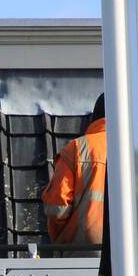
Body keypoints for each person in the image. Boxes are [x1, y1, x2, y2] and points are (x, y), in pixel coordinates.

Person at [42, 93, 107, 247]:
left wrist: (61, 242)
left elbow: (57, 208)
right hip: (133, 258)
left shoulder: (77, 150)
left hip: (83, 254)